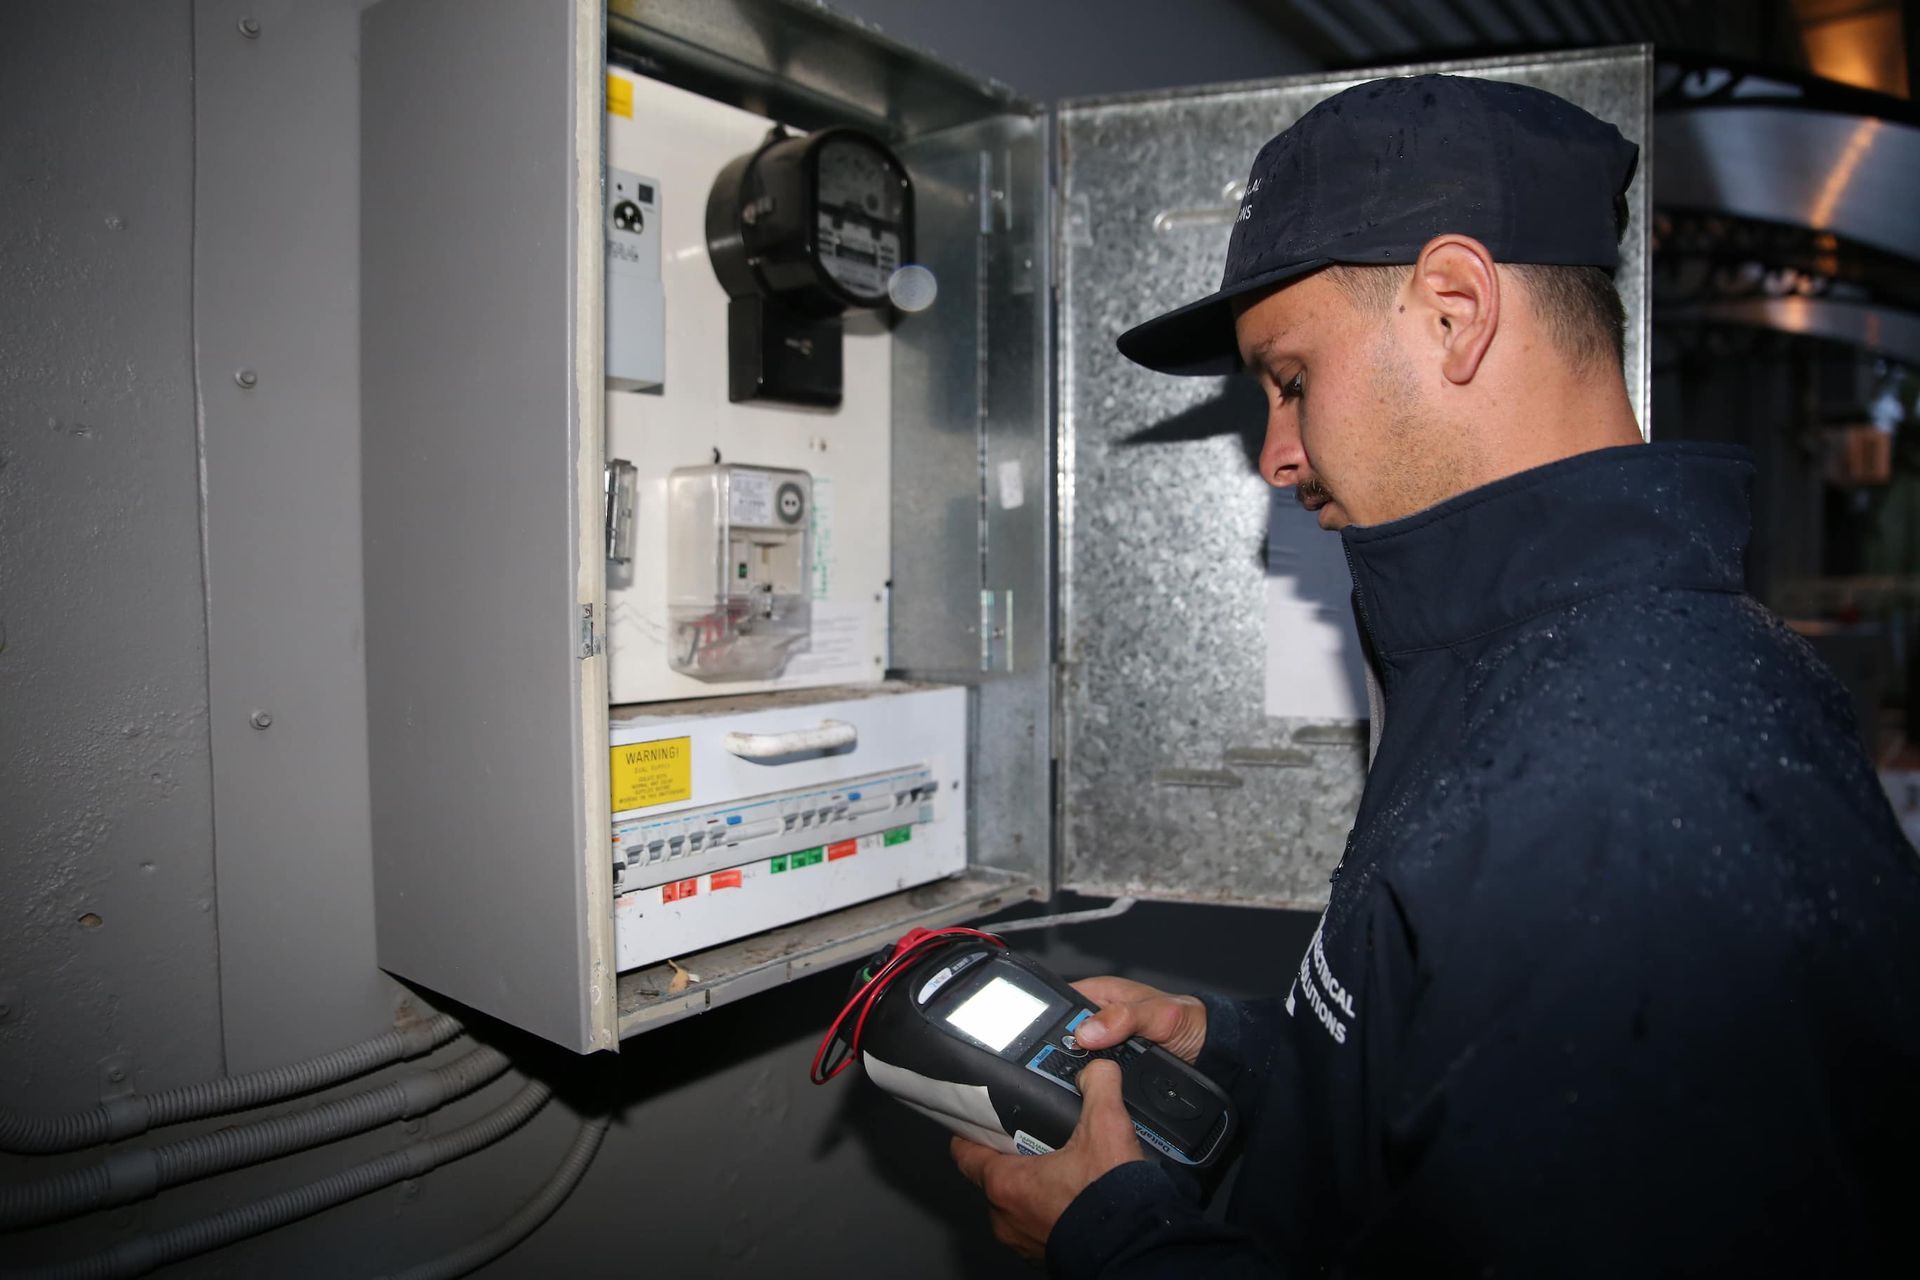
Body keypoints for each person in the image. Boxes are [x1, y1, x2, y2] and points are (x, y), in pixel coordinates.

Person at [949, 73, 1920, 1275]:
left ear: (1455, 308)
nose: (1276, 455)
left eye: (1291, 377)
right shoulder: (1532, 664)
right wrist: (1237, 1050)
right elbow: (1471, 1076)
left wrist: (1118, 1238)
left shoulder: (1620, 776)